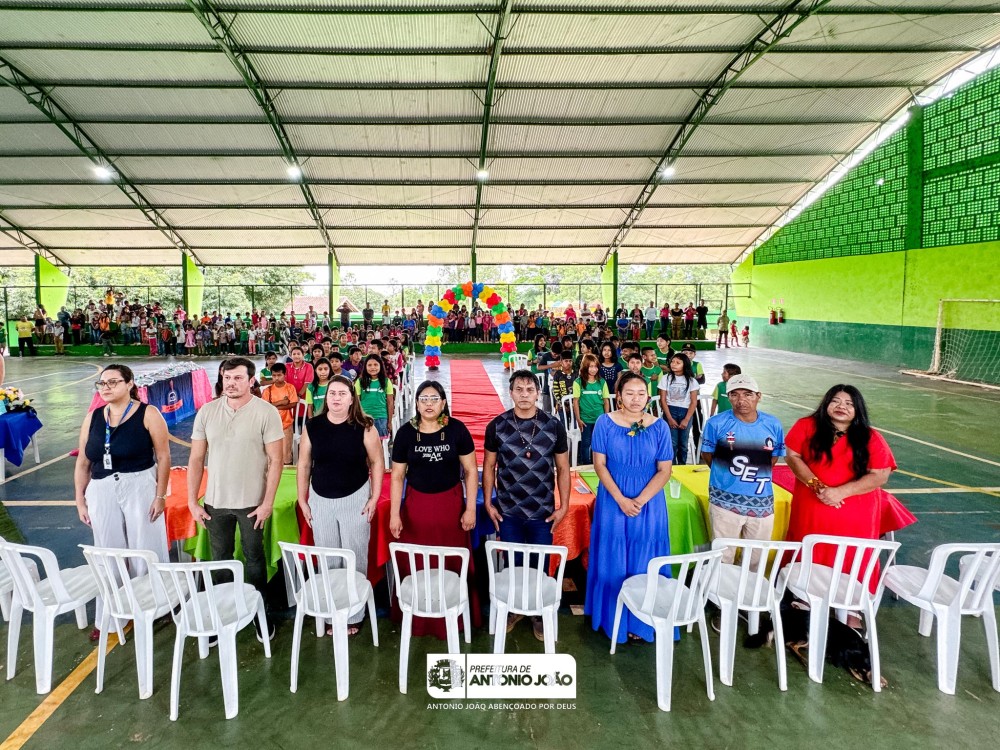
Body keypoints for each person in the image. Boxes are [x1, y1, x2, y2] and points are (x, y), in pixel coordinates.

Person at [784, 385, 904, 613]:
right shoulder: (806, 425)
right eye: (836, 401)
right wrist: (818, 487)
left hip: (855, 511)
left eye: (849, 404)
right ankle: (806, 596)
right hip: (812, 505)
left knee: (852, 554)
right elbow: (792, 456)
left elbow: (880, 475)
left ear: (858, 409)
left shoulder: (871, 437)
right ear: (826, 403)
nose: (842, 407)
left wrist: (841, 492)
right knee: (810, 547)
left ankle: (851, 607)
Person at [188, 357, 284, 642]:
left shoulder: (266, 412)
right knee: (220, 559)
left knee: (254, 558)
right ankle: (225, 614)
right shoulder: (207, 411)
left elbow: (276, 460)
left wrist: (267, 503)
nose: (231, 383)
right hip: (215, 503)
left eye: (238, 378)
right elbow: (196, 459)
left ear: (251, 380)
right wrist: (193, 501)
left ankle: (259, 613)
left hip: (253, 502)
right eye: (227, 378)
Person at [74, 364, 171, 641]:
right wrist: (80, 500)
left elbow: (163, 456)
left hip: (139, 484)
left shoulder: (148, 414)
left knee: (145, 546)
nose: (106, 387)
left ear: (129, 384)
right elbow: (83, 461)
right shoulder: (93, 417)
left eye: (113, 382)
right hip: (102, 488)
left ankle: (153, 606)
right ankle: (112, 613)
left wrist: (160, 495)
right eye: (102, 383)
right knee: (107, 550)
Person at [483, 370, 570, 640]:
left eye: (529, 389)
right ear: (510, 393)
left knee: (539, 564)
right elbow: (489, 466)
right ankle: (513, 608)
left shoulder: (553, 425)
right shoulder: (497, 425)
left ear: (537, 393)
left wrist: (564, 506)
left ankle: (537, 612)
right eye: (518, 389)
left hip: (543, 512)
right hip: (508, 511)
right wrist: (488, 503)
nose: (524, 394)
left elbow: (563, 468)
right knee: (513, 563)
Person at [586, 372, 673, 643]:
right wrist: (621, 499)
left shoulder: (660, 427)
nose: (636, 399)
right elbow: (599, 464)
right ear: (619, 396)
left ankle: (642, 622)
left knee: (644, 559)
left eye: (641, 393)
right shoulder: (604, 423)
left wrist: (640, 500)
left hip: (649, 503)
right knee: (612, 560)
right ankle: (612, 618)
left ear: (649, 396)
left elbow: (664, 470)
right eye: (629, 393)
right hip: (613, 501)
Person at [388, 381, 479, 639]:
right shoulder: (406, 433)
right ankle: (418, 619)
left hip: (450, 508)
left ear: (443, 402)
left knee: (452, 562)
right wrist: (395, 513)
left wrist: (470, 508)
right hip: (417, 509)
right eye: (423, 399)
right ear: (416, 403)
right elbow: (397, 476)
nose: (429, 403)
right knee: (417, 563)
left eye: (434, 398)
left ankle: (454, 616)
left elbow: (471, 471)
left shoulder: (457, 429)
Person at [296, 375, 384, 635]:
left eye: (342, 394)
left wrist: (374, 497)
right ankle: (332, 610)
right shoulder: (313, 426)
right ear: (326, 398)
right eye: (332, 393)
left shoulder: (365, 426)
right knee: (328, 558)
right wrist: (303, 498)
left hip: (355, 497)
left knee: (355, 557)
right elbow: (304, 464)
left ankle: (354, 613)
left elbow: (377, 462)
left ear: (351, 398)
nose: (336, 398)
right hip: (320, 498)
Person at [700, 374, 785, 568]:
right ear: (728, 397)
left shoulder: (773, 424)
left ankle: (747, 587)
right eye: (734, 394)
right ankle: (719, 587)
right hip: (724, 502)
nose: (741, 400)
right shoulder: (716, 423)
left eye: (748, 394)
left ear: (758, 396)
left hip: (762, 503)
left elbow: (773, 458)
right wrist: (726, 476)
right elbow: (707, 454)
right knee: (722, 557)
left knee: (755, 559)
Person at [657, 353, 699, 465]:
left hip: (686, 412)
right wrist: (669, 418)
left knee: (683, 444)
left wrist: (686, 419)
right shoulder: (666, 378)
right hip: (670, 411)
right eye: (672, 362)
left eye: (678, 362)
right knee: (672, 443)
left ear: (685, 365)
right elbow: (663, 400)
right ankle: (671, 467)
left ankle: (682, 465)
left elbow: (693, 402)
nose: (673, 364)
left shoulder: (692, 381)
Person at [572, 353, 610, 465]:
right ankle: (585, 464)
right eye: (590, 366)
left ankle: (597, 464)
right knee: (586, 443)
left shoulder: (602, 382)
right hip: (585, 420)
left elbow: (606, 401)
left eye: (596, 366)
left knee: (598, 443)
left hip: (599, 419)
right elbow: (575, 401)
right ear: (585, 367)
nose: (594, 369)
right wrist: (578, 419)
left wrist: (606, 417)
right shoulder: (578, 382)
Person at [262, 362, 299, 465]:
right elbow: (265, 407)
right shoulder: (268, 390)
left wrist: (274, 406)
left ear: (285, 375)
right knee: (271, 454)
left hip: (286, 424)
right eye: (274, 375)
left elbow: (293, 404)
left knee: (286, 453)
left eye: (279, 375)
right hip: (271, 426)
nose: (276, 378)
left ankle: (286, 470)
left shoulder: (290, 387)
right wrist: (281, 402)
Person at [355, 354, 395, 440]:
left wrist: (389, 422)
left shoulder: (386, 381)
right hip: (364, 417)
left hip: (381, 417)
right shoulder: (359, 381)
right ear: (365, 367)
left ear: (381, 366)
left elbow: (390, 403)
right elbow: (356, 402)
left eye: (376, 364)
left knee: (378, 443)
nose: (373, 367)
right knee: (364, 442)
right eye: (369, 365)